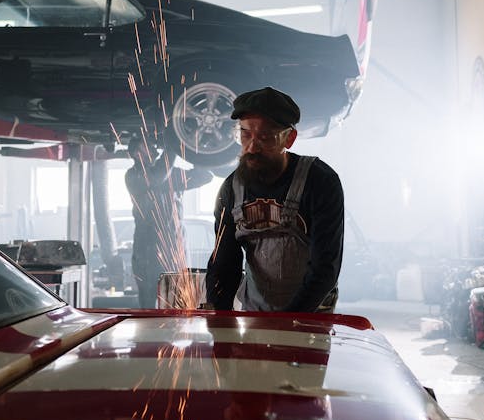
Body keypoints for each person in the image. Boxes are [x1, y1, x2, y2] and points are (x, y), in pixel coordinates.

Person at [205, 86, 344, 313]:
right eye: (245, 134)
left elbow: (325, 268)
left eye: (265, 137)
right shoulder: (231, 189)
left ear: (289, 138)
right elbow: (223, 264)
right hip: (254, 315)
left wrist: (288, 322)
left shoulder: (320, 182)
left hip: (310, 317)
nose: (252, 146)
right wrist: (219, 320)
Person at [125, 134, 212, 308]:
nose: (153, 148)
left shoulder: (170, 176)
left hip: (174, 249)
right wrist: (172, 145)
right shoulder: (133, 176)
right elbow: (157, 177)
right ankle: (147, 334)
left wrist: (196, 152)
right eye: (147, 145)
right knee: (148, 306)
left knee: (176, 305)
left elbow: (205, 176)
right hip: (146, 253)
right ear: (136, 153)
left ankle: (174, 335)